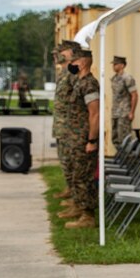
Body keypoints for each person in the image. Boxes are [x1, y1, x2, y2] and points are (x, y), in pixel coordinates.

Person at [57, 49, 101, 229]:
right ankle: (79, 207)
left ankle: (88, 216)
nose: (71, 65)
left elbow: (95, 114)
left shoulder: (89, 84)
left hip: (83, 140)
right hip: (75, 138)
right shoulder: (80, 82)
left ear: (82, 63)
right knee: (77, 175)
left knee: (84, 177)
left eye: (73, 61)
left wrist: (91, 140)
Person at [51, 41, 80, 201]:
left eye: (62, 52)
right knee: (64, 160)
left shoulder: (73, 74)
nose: (58, 56)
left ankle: (75, 196)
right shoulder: (63, 73)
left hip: (70, 125)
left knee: (71, 161)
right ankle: (70, 190)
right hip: (61, 124)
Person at [109, 56, 137, 150]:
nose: (113, 66)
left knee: (124, 137)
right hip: (115, 112)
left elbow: (134, 95)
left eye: (116, 64)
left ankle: (127, 159)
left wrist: (132, 112)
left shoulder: (127, 78)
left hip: (124, 112)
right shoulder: (114, 78)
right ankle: (120, 157)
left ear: (122, 65)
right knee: (115, 137)